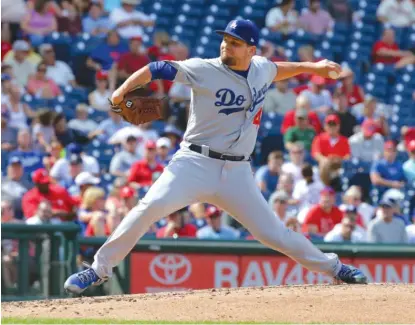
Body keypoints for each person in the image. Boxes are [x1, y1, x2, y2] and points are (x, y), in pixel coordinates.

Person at [64, 19, 367, 294]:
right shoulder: (204, 69)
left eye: (235, 42)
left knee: (274, 233)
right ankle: (98, 270)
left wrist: (313, 67)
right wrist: (120, 92)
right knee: (149, 207)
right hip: (194, 162)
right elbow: (158, 68)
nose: (226, 45)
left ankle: (334, 268)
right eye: (225, 39)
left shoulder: (260, 67)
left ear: (250, 49)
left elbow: (278, 69)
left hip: (237, 172)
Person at [311, 114, 350, 189]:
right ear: (325, 126)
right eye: (329, 125)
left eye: (334, 124)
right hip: (324, 167)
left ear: (338, 126)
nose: (332, 127)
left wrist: (337, 159)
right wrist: (325, 160)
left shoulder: (344, 140)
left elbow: (347, 156)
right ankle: (325, 187)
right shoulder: (319, 138)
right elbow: (316, 153)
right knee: (324, 165)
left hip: (339, 166)